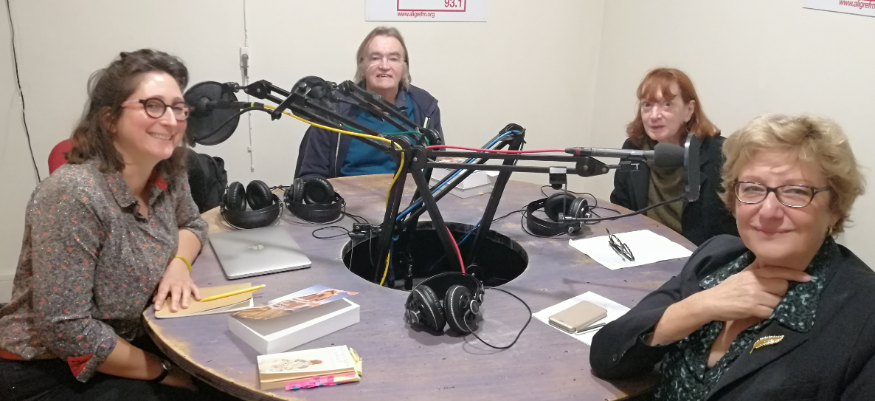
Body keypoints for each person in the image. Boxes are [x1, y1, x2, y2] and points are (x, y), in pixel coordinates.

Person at [0, 50, 235, 400]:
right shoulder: (73, 194)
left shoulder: (168, 171)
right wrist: (164, 371)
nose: (171, 120)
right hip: (47, 365)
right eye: (153, 106)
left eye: (178, 108)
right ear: (109, 119)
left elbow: (192, 224)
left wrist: (178, 265)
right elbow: (66, 329)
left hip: (129, 337)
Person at [591, 115, 875, 400]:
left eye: (796, 192)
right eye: (753, 188)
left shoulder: (864, 315)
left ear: (835, 207)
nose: (768, 211)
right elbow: (606, 355)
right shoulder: (716, 258)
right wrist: (701, 306)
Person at [295, 26, 443, 179]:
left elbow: (436, 169)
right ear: (362, 66)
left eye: (393, 58)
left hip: (408, 193)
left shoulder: (425, 107)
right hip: (347, 193)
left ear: (404, 67)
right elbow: (311, 175)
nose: (384, 66)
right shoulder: (333, 108)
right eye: (375, 58)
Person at [611, 68, 737, 246]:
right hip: (641, 252)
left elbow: (728, 231)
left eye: (667, 104)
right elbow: (621, 211)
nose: (654, 115)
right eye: (647, 105)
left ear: (689, 110)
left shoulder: (719, 154)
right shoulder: (634, 149)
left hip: (698, 257)